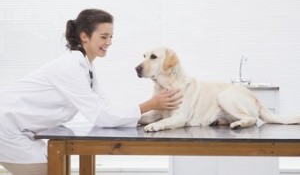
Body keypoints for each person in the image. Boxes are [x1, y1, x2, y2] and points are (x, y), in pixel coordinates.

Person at [0, 9, 182, 175]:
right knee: (53, 170)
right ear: (84, 36)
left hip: (22, 130)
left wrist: (149, 113)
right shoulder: (70, 67)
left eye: (111, 37)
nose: (109, 42)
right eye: (104, 37)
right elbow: (101, 115)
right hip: (8, 129)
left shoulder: (86, 67)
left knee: (58, 168)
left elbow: (105, 106)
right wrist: (151, 104)